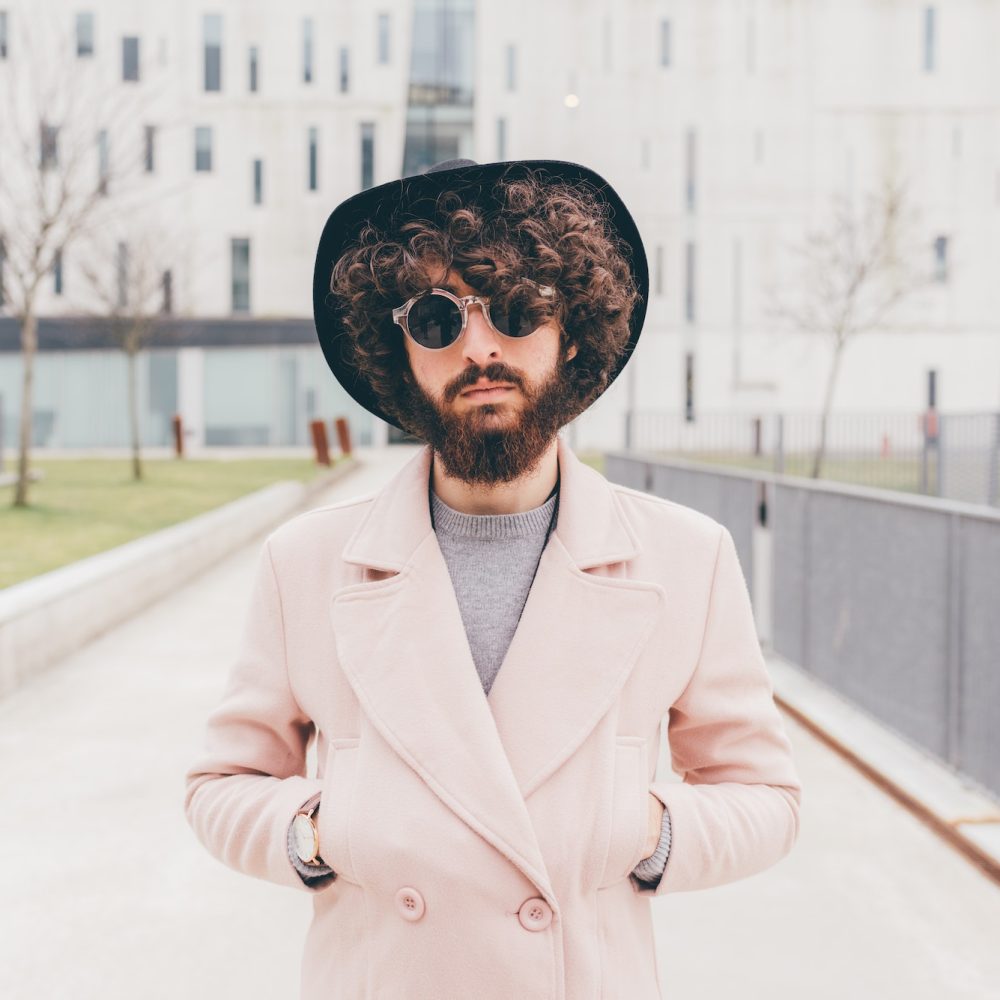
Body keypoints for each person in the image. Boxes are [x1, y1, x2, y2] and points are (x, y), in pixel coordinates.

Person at [184, 158, 802, 1000]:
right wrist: (322, 834)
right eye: (438, 319)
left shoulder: (688, 557)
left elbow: (764, 796)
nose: (479, 347)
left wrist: (640, 832)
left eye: (514, 310)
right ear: (401, 351)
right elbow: (222, 786)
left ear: (572, 330)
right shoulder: (305, 564)